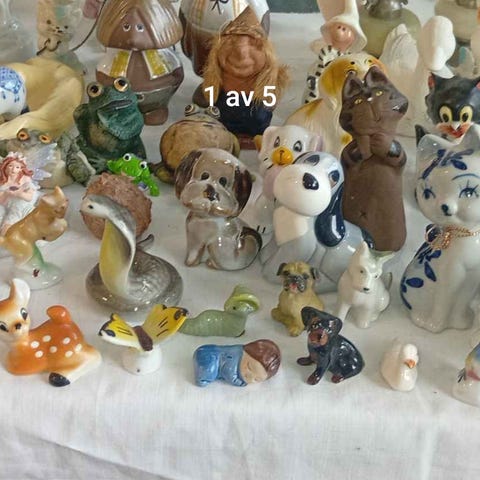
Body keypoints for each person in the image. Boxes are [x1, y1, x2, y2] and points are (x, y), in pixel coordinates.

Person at [0, 152, 38, 235]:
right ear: (5, 166)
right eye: (10, 166)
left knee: (16, 215)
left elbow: (29, 197)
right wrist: (7, 193)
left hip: (22, 206)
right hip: (8, 207)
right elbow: (1, 201)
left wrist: (19, 194)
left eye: (17, 167)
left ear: (21, 169)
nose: (13, 170)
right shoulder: (2, 181)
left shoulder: (25, 179)